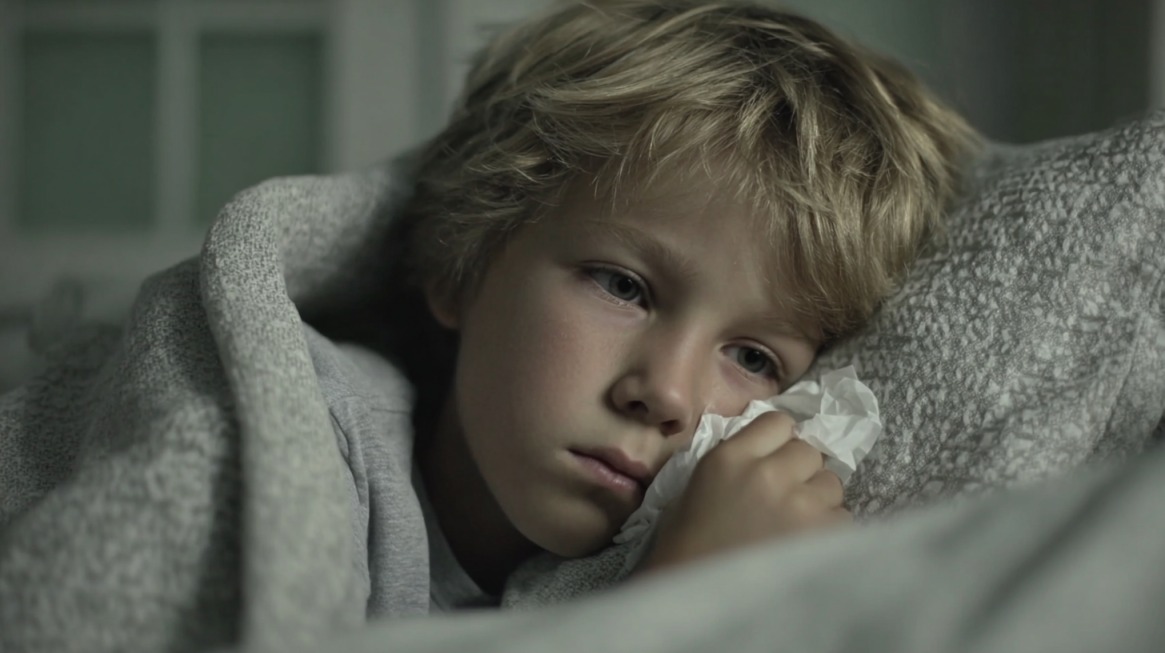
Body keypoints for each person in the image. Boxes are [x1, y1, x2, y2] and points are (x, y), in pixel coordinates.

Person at [313, 0, 978, 613]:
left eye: (751, 357)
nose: (666, 394)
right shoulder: (309, 447)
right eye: (623, 286)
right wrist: (675, 599)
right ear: (463, 266)